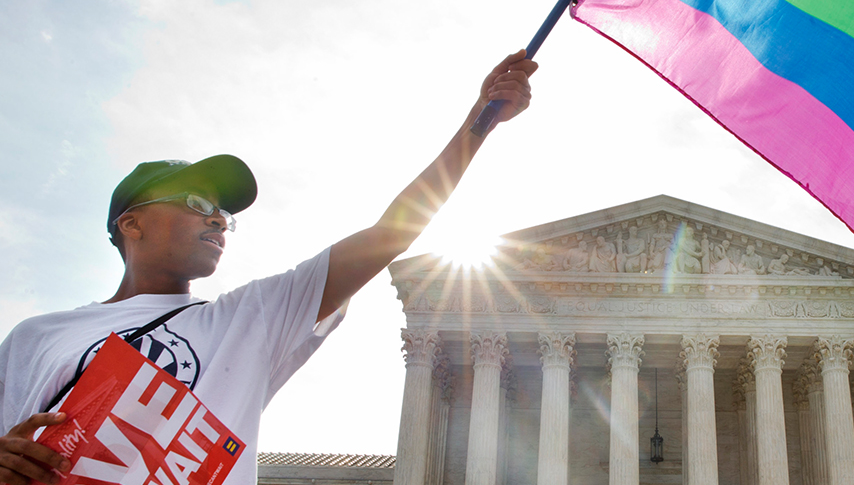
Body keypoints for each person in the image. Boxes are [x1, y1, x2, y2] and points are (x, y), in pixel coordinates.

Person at [0, 51, 537, 485]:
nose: (217, 221)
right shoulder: (36, 337)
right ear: (131, 224)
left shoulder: (249, 320)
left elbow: (388, 234)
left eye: (224, 215)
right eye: (197, 205)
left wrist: (478, 125)